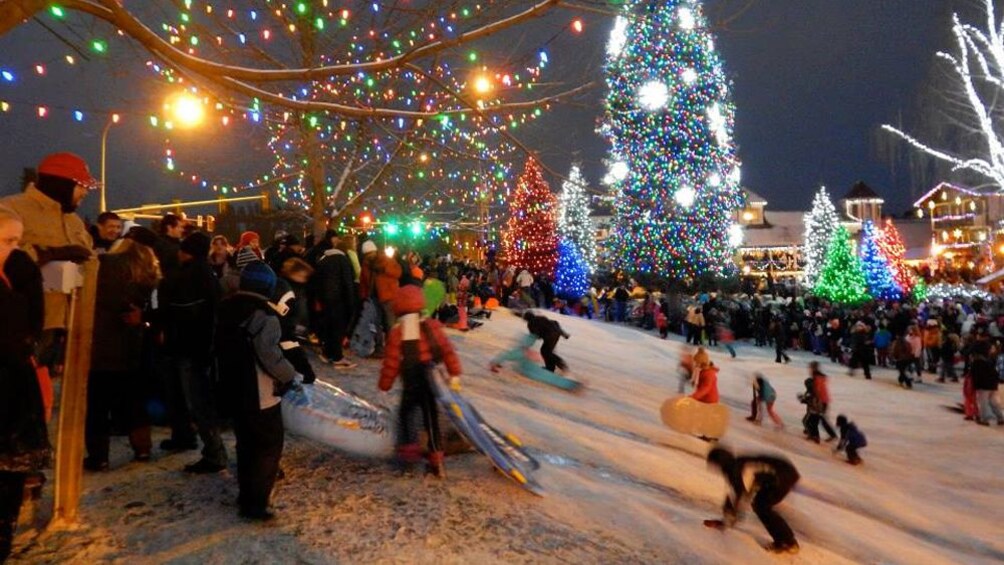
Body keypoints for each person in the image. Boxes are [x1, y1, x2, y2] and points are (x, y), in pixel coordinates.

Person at [215, 261, 303, 520]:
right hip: (259, 391)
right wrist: (289, 375)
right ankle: (256, 502)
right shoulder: (264, 315)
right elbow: (270, 355)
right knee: (267, 445)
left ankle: (246, 494)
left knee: (245, 443)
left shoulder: (224, 307)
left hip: (230, 385)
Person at [0, 152, 96, 372]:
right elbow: (8, 257)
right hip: (29, 327)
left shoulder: (74, 222)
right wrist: (50, 253)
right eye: (81, 185)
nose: (85, 192)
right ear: (61, 184)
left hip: (73, 325)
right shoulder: (12, 209)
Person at [85, 238, 161, 471]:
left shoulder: (104, 267)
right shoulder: (146, 273)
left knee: (98, 405)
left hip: (102, 345)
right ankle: (143, 448)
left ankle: (99, 456)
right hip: (132, 346)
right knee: (134, 401)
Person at [0, 210, 50, 561]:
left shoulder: (11, 274)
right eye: (7, 241)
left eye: (17, 241)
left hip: (12, 395)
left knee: (8, 486)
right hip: (6, 395)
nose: (13, 249)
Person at [378, 285, 462, 478]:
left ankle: (408, 460)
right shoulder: (432, 325)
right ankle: (436, 461)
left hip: (411, 381)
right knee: (431, 419)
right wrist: (454, 373)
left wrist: (385, 384)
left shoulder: (398, 332)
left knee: (406, 417)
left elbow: (391, 362)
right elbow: (447, 350)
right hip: (431, 381)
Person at [162, 232, 229, 473]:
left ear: (186, 251)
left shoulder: (189, 277)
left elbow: (180, 314)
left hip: (191, 348)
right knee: (200, 401)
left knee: (199, 403)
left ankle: (214, 453)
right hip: (202, 347)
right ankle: (212, 450)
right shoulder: (207, 273)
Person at [705, 447, 801, 554]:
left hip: (783, 477)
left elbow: (741, 498)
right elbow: (740, 494)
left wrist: (725, 522)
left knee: (762, 507)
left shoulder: (736, 471)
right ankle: (787, 541)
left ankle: (789, 542)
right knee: (760, 505)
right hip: (784, 471)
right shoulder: (738, 463)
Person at [313, 230, 357, 368]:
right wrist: (351, 302)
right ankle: (337, 357)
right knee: (338, 328)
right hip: (339, 300)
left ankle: (327, 353)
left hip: (325, 300)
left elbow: (316, 281)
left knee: (329, 327)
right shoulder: (343, 260)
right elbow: (347, 283)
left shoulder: (323, 260)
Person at [276, 258, 317, 384]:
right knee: (291, 349)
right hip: (286, 327)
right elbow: (298, 311)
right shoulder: (288, 289)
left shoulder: (293, 287)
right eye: (302, 276)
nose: (304, 279)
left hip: (287, 326)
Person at [971, 342, 1004, 426]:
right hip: (992, 384)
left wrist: (975, 385)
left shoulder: (977, 361)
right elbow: (994, 373)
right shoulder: (988, 360)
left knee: (983, 403)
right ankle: (1000, 417)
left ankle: (984, 419)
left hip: (983, 386)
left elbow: (975, 375)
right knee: (994, 402)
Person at [806, 362, 837, 442]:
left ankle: (815, 436)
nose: (809, 370)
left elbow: (818, 390)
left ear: (814, 368)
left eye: (810, 368)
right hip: (823, 401)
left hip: (821, 401)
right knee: (819, 419)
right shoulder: (819, 377)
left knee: (814, 419)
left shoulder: (817, 377)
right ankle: (830, 435)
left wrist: (816, 401)